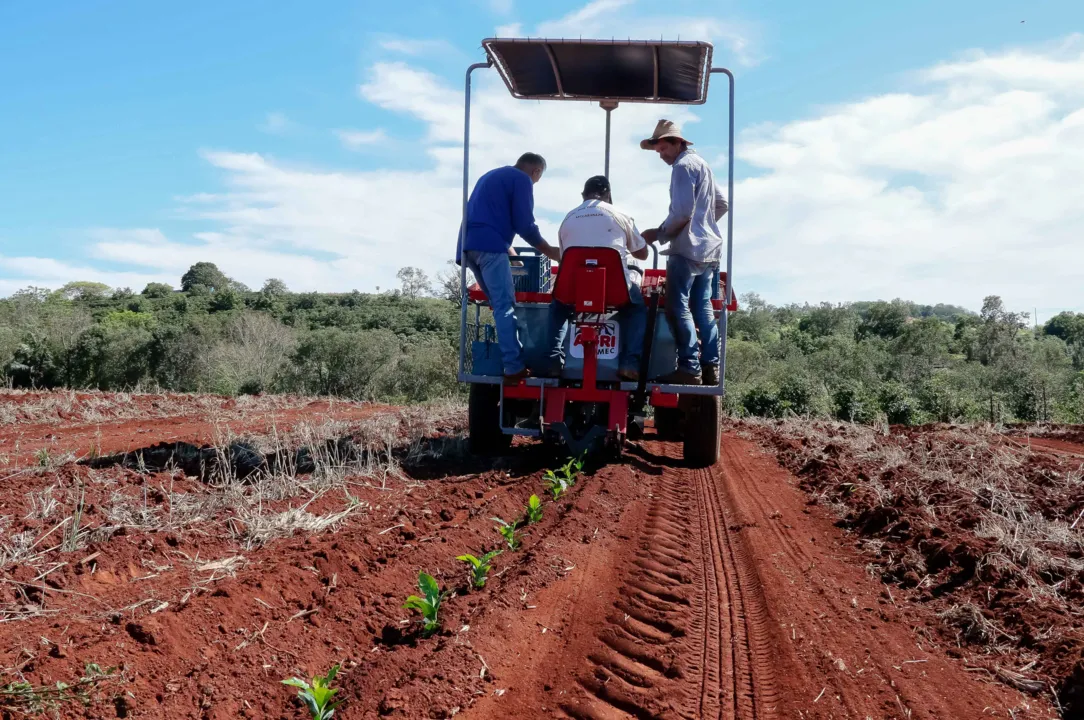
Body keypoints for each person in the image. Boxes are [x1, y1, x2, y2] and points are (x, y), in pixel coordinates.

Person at [456, 153, 561, 384]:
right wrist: (551, 252)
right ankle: (514, 366)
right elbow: (525, 225)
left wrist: (510, 252)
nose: (534, 183)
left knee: (497, 304)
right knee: (505, 306)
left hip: (469, 247)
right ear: (536, 172)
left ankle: (511, 356)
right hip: (490, 247)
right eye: (537, 179)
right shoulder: (521, 179)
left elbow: (489, 219)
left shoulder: (492, 175)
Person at [639, 119, 729, 385]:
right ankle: (710, 367)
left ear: (678, 143)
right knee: (702, 307)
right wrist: (705, 225)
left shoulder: (681, 166)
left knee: (678, 307)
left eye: (663, 148)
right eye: (658, 151)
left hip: (688, 249)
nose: (661, 155)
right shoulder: (702, 164)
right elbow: (722, 204)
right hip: (710, 248)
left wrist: (658, 233)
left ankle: (689, 368)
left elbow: (681, 212)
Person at [544, 176, 649, 382]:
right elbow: (642, 255)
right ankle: (629, 364)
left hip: (574, 290)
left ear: (583, 196)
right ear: (608, 195)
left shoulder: (567, 219)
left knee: (558, 307)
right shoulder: (621, 215)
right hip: (615, 290)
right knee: (636, 308)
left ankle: (553, 363)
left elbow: (566, 258)